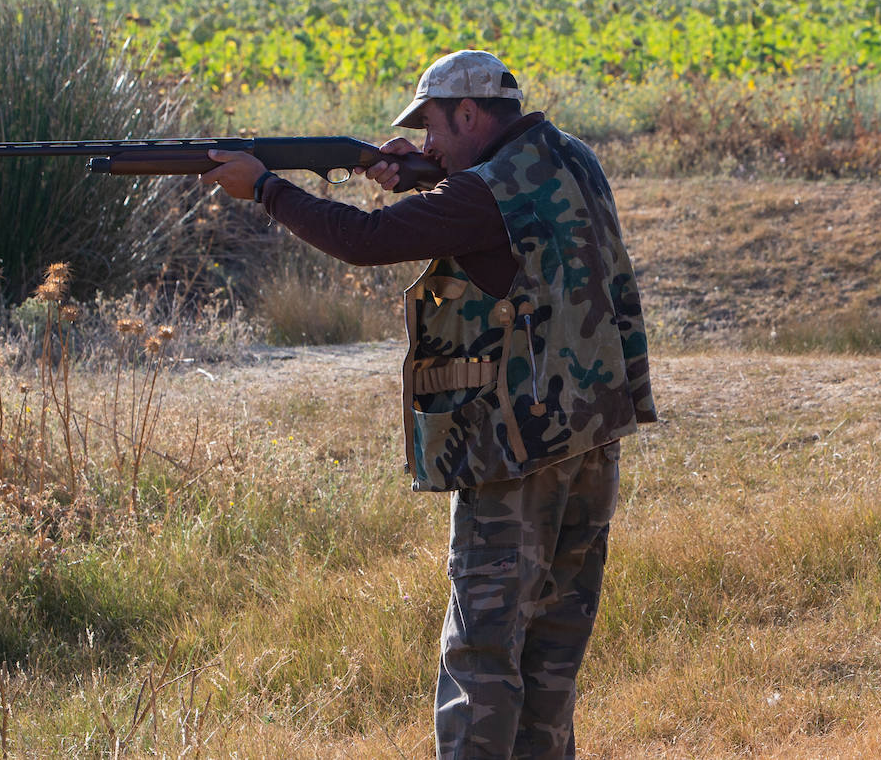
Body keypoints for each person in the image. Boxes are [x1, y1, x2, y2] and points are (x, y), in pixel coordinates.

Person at [200, 50, 657, 759]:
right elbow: (500, 237)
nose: (427, 142)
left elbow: (364, 242)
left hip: (516, 449)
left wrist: (266, 189)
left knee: (480, 656)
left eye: (434, 126)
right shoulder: (571, 158)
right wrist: (415, 176)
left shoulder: (482, 192)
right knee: (550, 656)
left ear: (470, 114)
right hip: (592, 434)